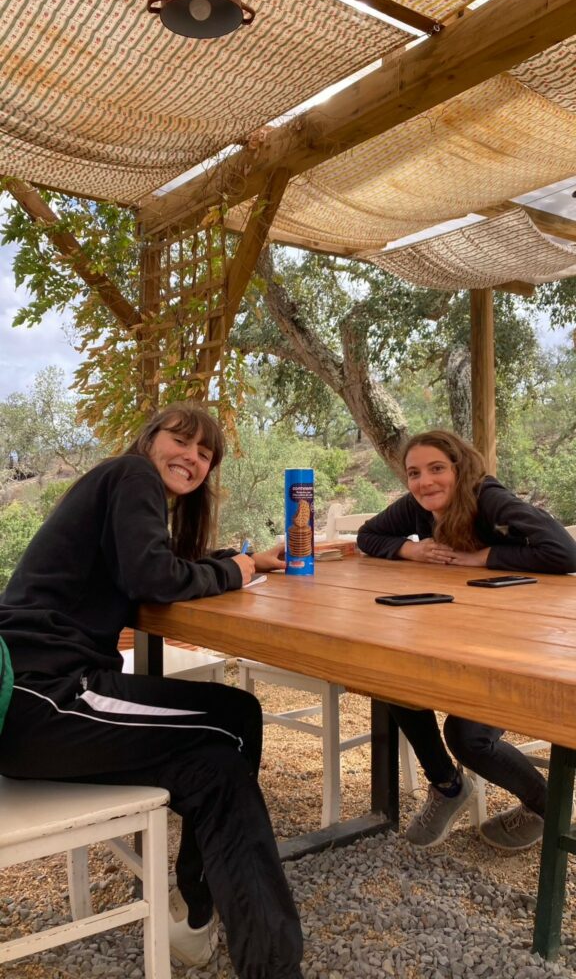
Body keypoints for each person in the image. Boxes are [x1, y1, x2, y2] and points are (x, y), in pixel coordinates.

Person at [0, 402, 303, 979]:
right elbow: (152, 578)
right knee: (235, 721)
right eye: (181, 440)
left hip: (46, 700)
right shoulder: (131, 472)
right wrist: (235, 571)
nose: (192, 457)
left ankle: (226, 938)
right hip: (42, 697)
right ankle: (199, 908)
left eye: (205, 453)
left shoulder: (120, 486)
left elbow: (148, 566)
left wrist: (241, 561)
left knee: (219, 758)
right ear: (149, 438)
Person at [357, 429, 576, 853]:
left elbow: (566, 553)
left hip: (522, 641)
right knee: (394, 678)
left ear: (459, 469)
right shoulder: (418, 507)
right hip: (457, 631)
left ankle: (549, 808)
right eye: (414, 473)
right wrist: (412, 550)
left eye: (437, 468)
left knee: (467, 736)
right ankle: (447, 786)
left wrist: (482, 557)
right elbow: (368, 535)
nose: (425, 481)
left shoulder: (490, 499)